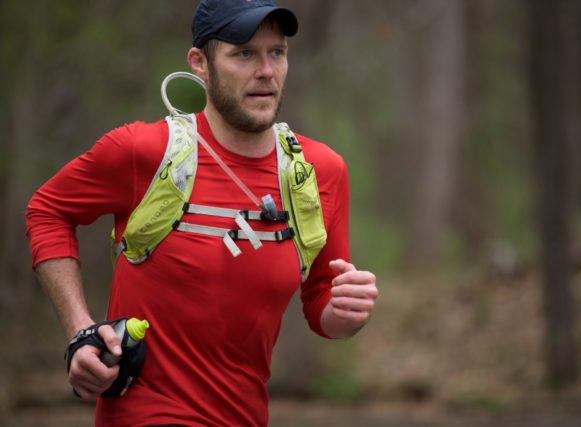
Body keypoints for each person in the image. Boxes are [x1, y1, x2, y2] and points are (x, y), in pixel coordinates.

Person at [25, 0, 378, 426]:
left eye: (277, 52)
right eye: (244, 53)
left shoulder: (318, 172)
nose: (265, 70)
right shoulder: (145, 152)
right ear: (200, 63)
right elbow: (47, 210)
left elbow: (322, 303)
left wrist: (347, 312)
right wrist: (80, 332)